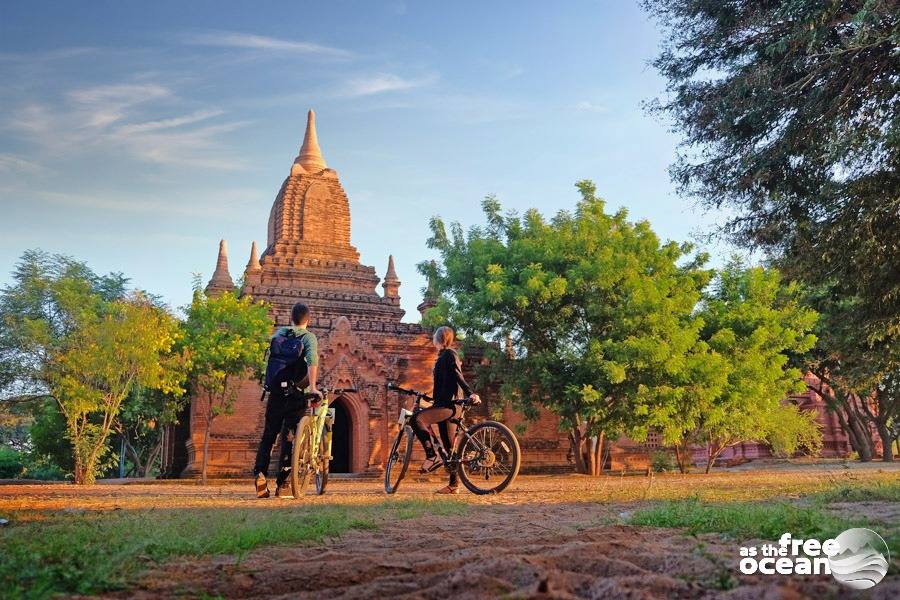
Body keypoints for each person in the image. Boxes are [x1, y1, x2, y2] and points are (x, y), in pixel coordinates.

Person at [253, 302, 321, 499]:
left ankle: (260, 474)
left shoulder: (278, 335)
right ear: (308, 319)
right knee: (289, 437)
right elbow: (312, 361)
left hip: (275, 392)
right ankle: (283, 483)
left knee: (268, 436)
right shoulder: (308, 338)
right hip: (295, 394)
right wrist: (313, 387)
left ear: (290, 318)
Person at [411, 325, 480, 494]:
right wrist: (428, 398)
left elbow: (457, 375)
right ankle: (453, 485)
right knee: (449, 449)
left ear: (440, 338)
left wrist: (471, 393)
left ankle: (431, 456)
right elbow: (443, 386)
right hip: (443, 404)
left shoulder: (450, 354)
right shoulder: (441, 357)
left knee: (416, 419)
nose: (432, 339)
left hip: (450, 406)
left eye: (435, 336)